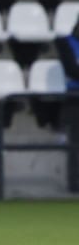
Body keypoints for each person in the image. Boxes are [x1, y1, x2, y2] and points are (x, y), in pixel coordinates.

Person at [57, 21, 79, 192]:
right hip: (75, 99)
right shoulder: (65, 42)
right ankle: (75, 185)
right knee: (76, 144)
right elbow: (72, 70)